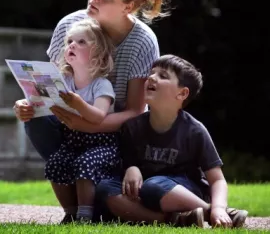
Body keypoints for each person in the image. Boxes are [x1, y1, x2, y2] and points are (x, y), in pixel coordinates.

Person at [13, 0, 165, 220]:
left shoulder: (142, 41)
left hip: (116, 133)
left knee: (106, 192)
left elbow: (136, 113)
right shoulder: (69, 26)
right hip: (72, 125)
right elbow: (52, 87)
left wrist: (91, 125)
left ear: (127, 6)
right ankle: (73, 204)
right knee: (36, 121)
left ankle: (94, 199)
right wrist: (29, 104)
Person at [97, 54, 248, 228]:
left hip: (182, 190)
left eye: (163, 76)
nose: (151, 77)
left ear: (182, 93)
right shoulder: (132, 127)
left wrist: (218, 208)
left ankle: (208, 211)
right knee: (105, 188)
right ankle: (173, 219)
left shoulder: (194, 131)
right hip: (146, 191)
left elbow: (217, 180)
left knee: (153, 185)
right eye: (152, 73)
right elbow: (128, 161)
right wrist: (132, 168)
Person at [44, 18, 119, 223]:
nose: (72, 45)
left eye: (81, 42)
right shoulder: (64, 81)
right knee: (55, 164)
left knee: (85, 163)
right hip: (73, 141)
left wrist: (78, 104)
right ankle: (70, 212)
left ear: (98, 53)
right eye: (69, 42)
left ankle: (85, 215)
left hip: (102, 143)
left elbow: (98, 116)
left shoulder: (101, 85)